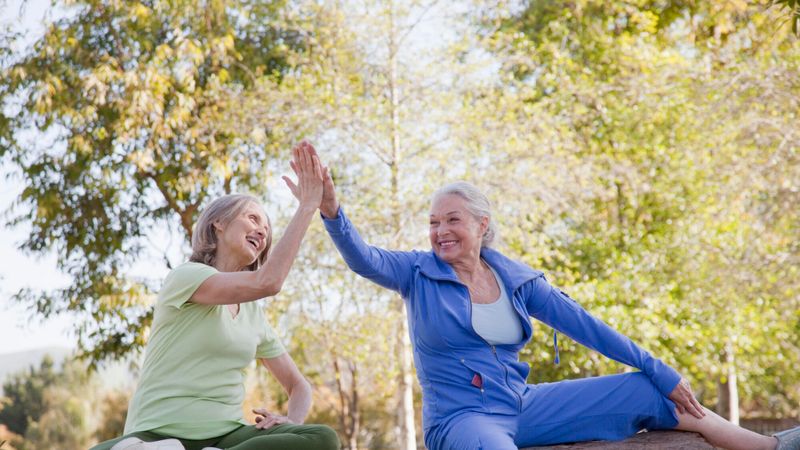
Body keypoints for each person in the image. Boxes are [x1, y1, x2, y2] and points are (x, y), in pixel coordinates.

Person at [313, 147, 799, 449]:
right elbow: (362, 258)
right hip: (461, 423)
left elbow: (587, 326)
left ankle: (765, 448)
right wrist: (333, 211)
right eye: (434, 222)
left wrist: (658, 369)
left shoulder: (516, 280)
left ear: (482, 225)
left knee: (646, 391)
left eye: (452, 220)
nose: (440, 231)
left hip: (522, 406)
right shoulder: (414, 272)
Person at [91, 143, 340, 450]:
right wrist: (306, 206)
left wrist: (292, 421)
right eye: (252, 218)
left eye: (266, 229)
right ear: (218, 224)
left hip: (227, 435)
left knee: (322, 438)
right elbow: (269, 281)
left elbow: (298, 386)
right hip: (159, 432)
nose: (262, 232)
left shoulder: (253, 313)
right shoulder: (186, 277)